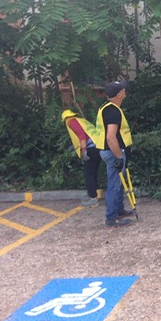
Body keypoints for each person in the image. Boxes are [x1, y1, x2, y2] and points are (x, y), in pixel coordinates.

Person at [93, 80, 135, 227]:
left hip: (108, 151)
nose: (125, 92)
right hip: (113, 152)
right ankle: (111, 217)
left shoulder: (106, 108)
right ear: (119, 94)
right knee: (115, 184)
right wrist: (118, 156)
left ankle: (119, 210)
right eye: (123, 90)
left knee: (119, 183)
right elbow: (111, 137)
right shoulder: (113, 111)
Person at [61, 110, 101, 207]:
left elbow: (82, 135)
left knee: (89, 173)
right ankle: (94, 194)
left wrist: (84, 150)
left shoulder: (72, 122)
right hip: (97, 146)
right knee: (93, 172)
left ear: (65, 119)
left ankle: (93, 198)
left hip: (90, 149)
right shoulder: (80, 120)